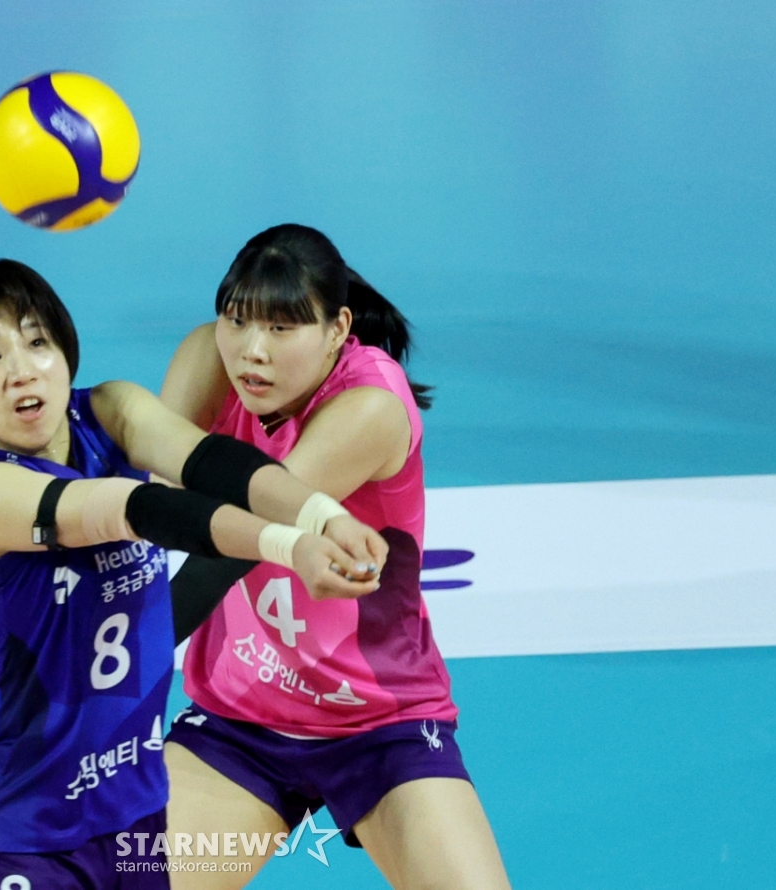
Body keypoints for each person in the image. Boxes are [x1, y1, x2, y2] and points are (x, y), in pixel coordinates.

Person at [0, 258, 388, 890]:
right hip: (27, 838)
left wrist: (321, 514)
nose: (23, 370)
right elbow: (131, 508)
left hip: (138, 822)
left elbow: (208, 462)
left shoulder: (110, 409)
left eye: (37, 342)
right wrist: (290, 546)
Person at [161, 225, 512, 890]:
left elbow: (237, 543)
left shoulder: (371, 406)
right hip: (238, 721)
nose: (251, 350)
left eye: (281, 327)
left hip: (380, 723)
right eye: (237, 320)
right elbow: (156, 499)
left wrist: (120, 659)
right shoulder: (208, 357)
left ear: (337, 329)